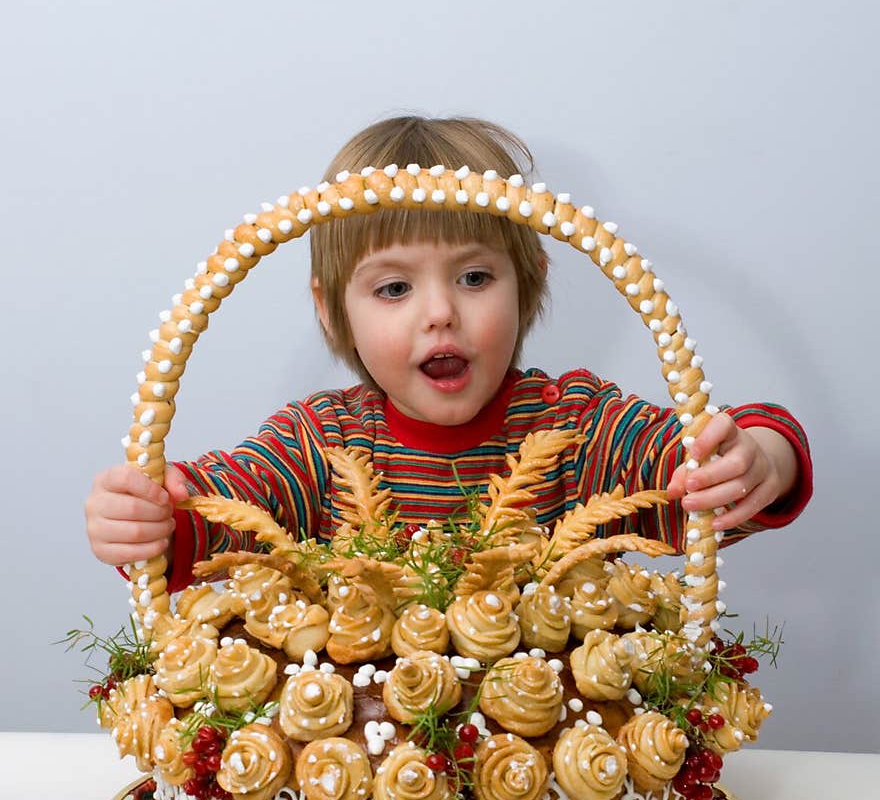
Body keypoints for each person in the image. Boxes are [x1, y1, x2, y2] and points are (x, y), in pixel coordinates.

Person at [85, 114, 812, 588]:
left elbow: (697, 470)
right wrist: (151, 517)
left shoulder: (578, 427)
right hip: (354, 794)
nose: (440, 313)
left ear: (527, 285)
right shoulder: (317, 445)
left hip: (546, 785)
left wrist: (758, 464)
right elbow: (215, 512)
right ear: (331, 312)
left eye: (473, 277)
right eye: (394, 288)